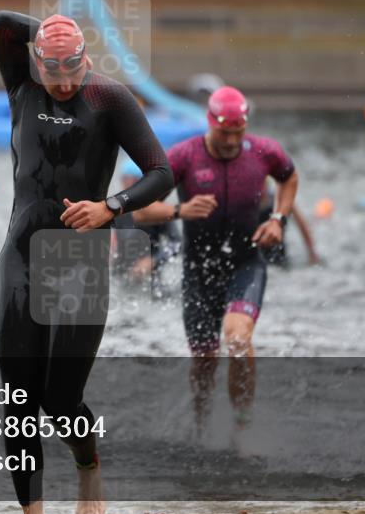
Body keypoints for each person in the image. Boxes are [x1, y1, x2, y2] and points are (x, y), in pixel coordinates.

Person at [0, 10, 173, 514]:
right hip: (21, 256)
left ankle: (88, 464)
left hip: (80, 259)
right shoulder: (22, 86)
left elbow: (162, 173)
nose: (66, 81)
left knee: (62, 399)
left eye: (73, 67)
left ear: (86, 58)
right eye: (54, 70)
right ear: (37, 64)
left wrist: (111, 207)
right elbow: (2, 23)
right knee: (20, 401)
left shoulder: (108, 97)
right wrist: (51, 27)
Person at [132, 86, 298, 431]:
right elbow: (141, 212)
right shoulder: (183, 157)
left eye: (239, 132)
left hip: (245, 263)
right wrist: (181, 209)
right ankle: (202, 425)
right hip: (198, 270)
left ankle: (243, 425)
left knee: (238, 339)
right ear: (210, 122)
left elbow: (289, 178)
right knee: (205, 361)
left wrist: (278, 219)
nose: (232, 140)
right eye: (225, 132)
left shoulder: (264, 152)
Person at [112, 160, 182, 293]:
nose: (129, 184)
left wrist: (153, 261)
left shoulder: (157, 211)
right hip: (122, 282)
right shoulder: (116, 211)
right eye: (126, 179)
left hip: (151, 284)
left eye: (134, 180)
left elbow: (177, 244)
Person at [257, 178, 321, 267]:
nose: (259, 189)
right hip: (256, 258)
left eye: (261, 184)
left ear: (267, 184)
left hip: (280, 257)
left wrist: (312, 253)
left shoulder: (281, 201)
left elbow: (302, 226)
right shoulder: (248, 204)